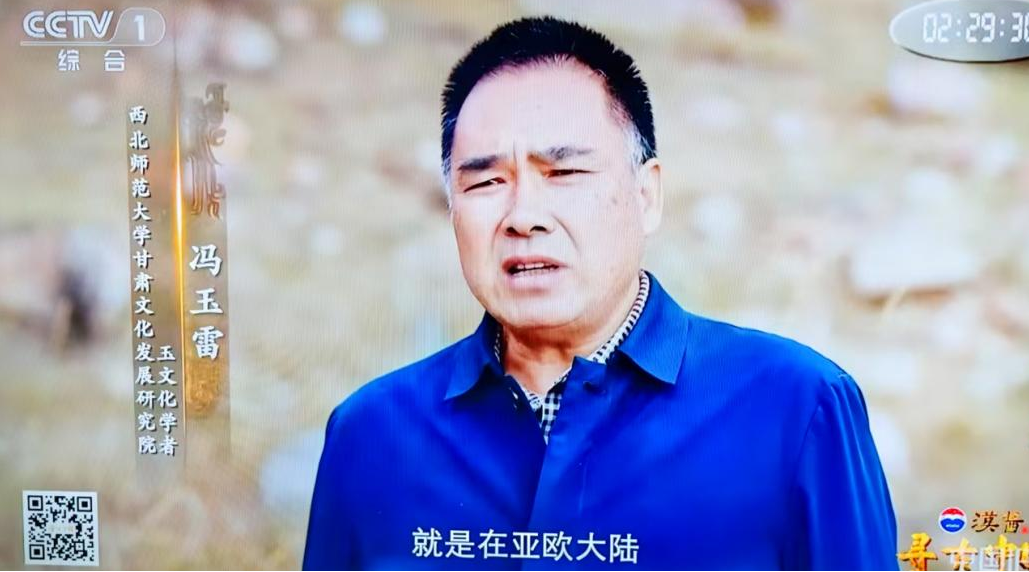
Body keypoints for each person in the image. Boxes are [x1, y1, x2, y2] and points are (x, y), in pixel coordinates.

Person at [304, 16, 897, 570]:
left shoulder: (795, 408)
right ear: (453, 207)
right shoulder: (371, 435)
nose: (523, 217)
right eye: (487, 181)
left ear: (646, 195)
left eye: (563, 173)